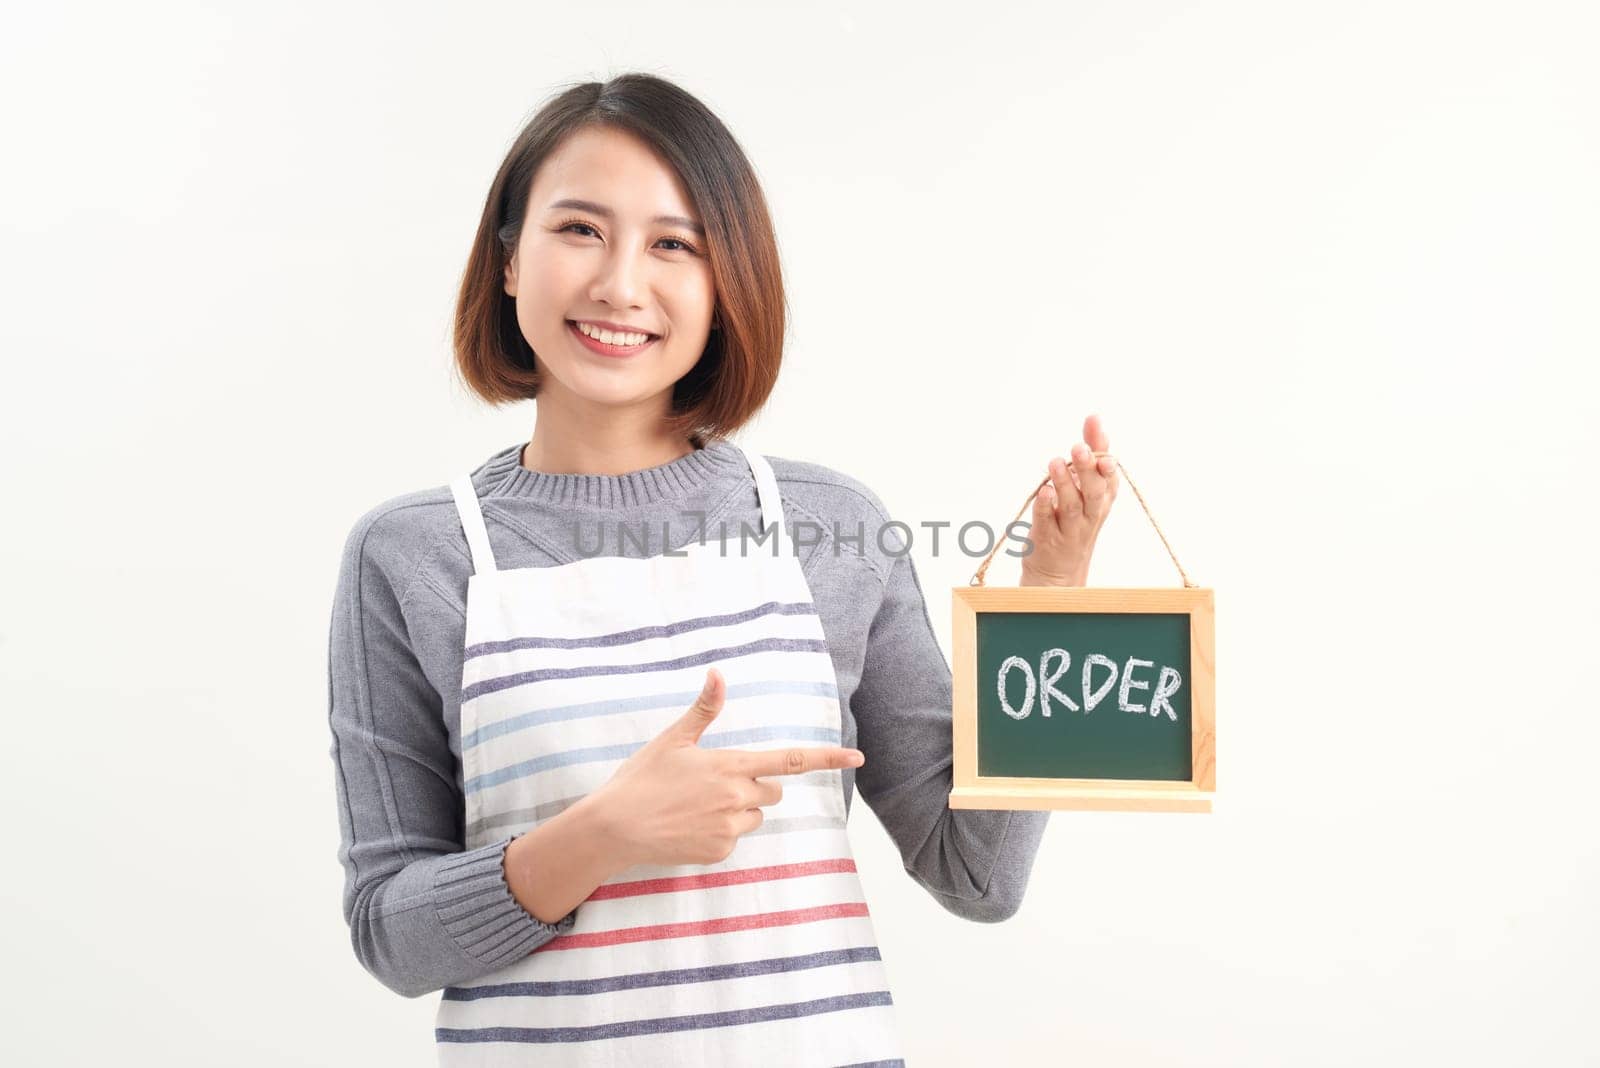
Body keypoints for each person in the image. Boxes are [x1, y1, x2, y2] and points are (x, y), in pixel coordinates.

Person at [326, 72, 1119, 1066]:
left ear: (724, 283)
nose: (620, 283)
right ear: (509, 262)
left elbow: (977, 877)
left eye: (672, 244)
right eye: (579, 230)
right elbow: (390, 934)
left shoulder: (829, 526)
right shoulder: (414, 554)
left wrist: (1046, 604)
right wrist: (603, 833)